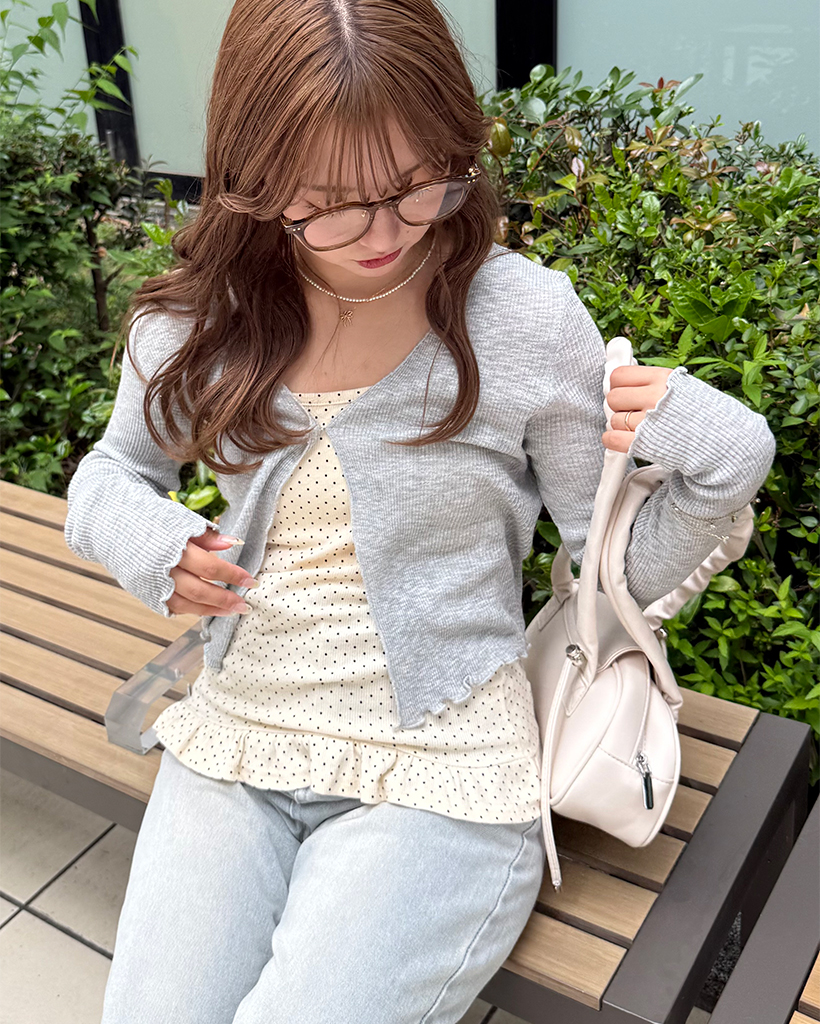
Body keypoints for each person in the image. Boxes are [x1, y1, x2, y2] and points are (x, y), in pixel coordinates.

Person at [63, 1, 776, 1022]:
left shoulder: (518, 315)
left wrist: (725, 467)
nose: (386, 234)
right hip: (237, 737)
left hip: (444, 764)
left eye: (416, 186)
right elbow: (108, 477)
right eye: (331, 205)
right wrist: (151, 540)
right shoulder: (199, 320)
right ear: (251, 174)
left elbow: (612, 570)